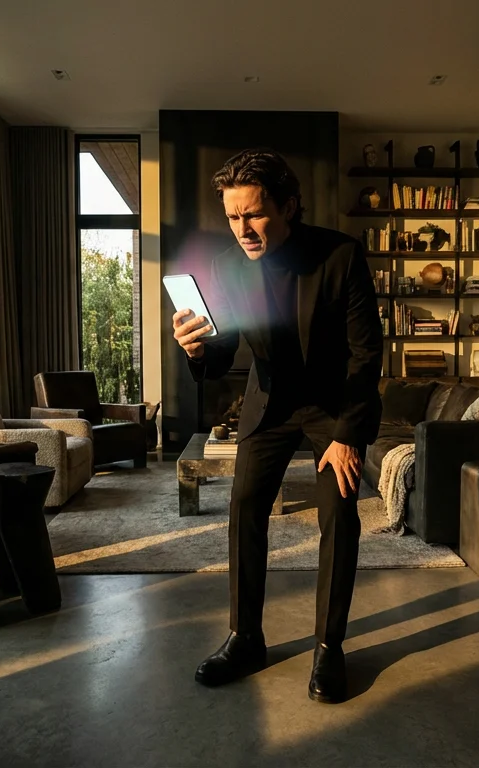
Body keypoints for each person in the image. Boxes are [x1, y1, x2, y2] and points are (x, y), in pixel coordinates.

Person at [172, 148, 383, 703]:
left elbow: (367, 357)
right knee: (244, 509)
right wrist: (194, 347)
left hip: (332, 407)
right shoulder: (223, 269)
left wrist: (347, 435)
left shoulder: (340, 255)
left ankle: (329, 649)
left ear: (289, 206)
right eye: (232, 216)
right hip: (268, 404)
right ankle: (245, 638)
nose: (242, 228)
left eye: (254, 214)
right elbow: (219, 359)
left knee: (338, 514)